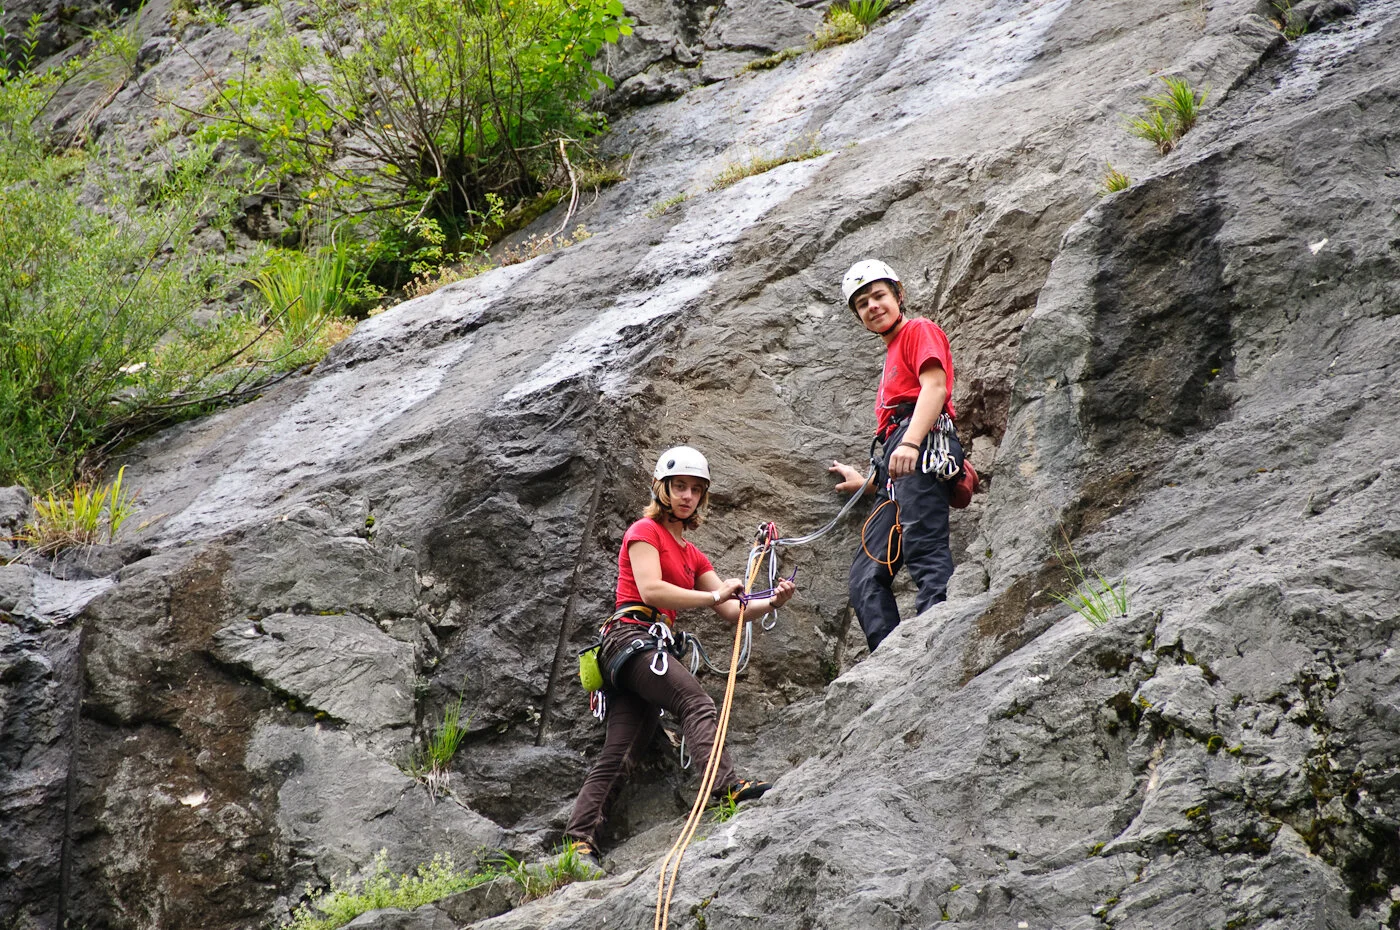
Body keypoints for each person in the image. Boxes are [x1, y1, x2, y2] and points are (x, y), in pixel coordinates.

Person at [564, 445, 797, 865]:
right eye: (679, 486)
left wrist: (771, 604)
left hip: (643, 650)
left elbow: (730, 610)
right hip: (629, 638)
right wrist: (712, 593)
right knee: (695, 701)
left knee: (621, 750)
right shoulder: (643, 531)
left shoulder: (692, 554)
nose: (687, 496)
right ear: (662, 488)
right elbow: (651, 590)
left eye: (695, 489)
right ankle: (723, 786)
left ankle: (579, 840)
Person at [828, 259, 963, 652]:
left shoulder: (919, 330)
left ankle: (937, 635)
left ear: (898, 295)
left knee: (924, 545)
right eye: (863, 303)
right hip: (897, 463)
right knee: (865, 575)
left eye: (879, 295)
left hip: (920, 443)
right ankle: (889, 657)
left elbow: (934, 389)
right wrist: (871, 482)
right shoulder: (890, 355)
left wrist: (909, 443)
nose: (873, 306)